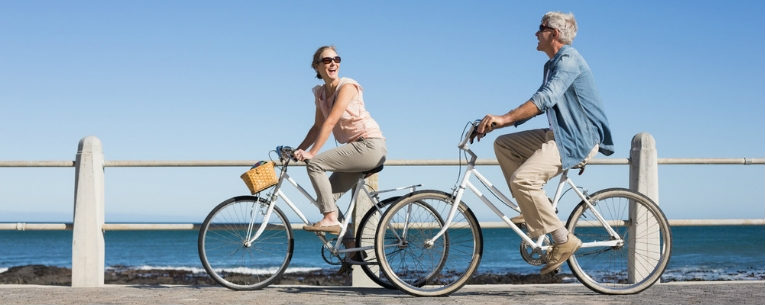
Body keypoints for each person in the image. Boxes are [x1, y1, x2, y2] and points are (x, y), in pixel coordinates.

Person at [472, 11, 614, 274]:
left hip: (577, 138)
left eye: (541, 28)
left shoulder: (569, 59)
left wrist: (503, 117)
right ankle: (535, 209)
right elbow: (541, 102)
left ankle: (563, 239)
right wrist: (498, 125)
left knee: (523, 180)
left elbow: (545, 99)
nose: (535, 33)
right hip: (560, 134)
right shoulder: (551, 64)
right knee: (504, 145)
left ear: (555, 33)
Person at [294, 45, 387, 235]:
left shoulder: (347, 86)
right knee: (325, 199)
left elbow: (330, 122)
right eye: (327, 60)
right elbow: (317, 126)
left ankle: (330, 219)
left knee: (315, 164)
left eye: (337, 60)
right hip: (356, 149)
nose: (333, 64)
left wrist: (311, 154)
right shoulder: (320, 94)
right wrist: (297, 150)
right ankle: (349, 246)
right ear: (317, 67)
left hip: (370, 146)